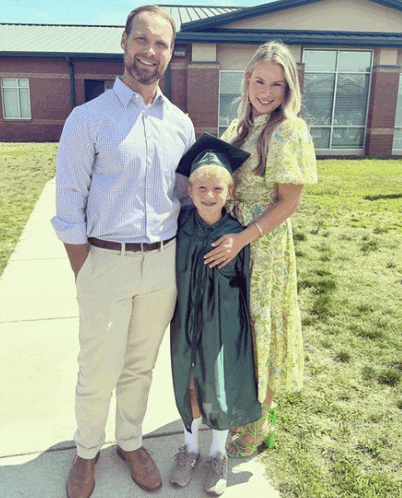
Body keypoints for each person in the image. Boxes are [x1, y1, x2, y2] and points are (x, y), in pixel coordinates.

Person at [51, 5, 194, 498]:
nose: (149, 51)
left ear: (171, 54)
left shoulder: (180, 124)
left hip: (161, 264)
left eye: (161, 44)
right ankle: (86, 452)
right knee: (98, 367)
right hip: (104, 261)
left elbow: (182, 197)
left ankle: (129, 442)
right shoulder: (87, 119)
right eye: (142, 39)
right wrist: (86, 272)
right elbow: (68, 206)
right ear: (124, 42)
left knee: (139, 366)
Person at [203, 41, 318, 457]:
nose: (266, 91)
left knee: (262, 329)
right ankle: (241, 404)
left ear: (289, 90)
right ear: (247, 80)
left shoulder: (289, 130)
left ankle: (261, 420)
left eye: (277, 84)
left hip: (262, 246)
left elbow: (288, 202)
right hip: (232, 238)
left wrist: (242, 238)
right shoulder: (239, 127)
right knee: (238, 329)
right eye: (259, 81)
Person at [169, 133, 261, 495]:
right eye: (201, 188)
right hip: (185, 319)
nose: (209, 195)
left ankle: (217, 453)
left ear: (230, 192)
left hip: (222, 323)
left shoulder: (235, 234)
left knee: (218, 384)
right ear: (189, 191)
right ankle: (189, 449)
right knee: (187, 381)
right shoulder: (179, 228)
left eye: (217, 189)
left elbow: (244, 283)